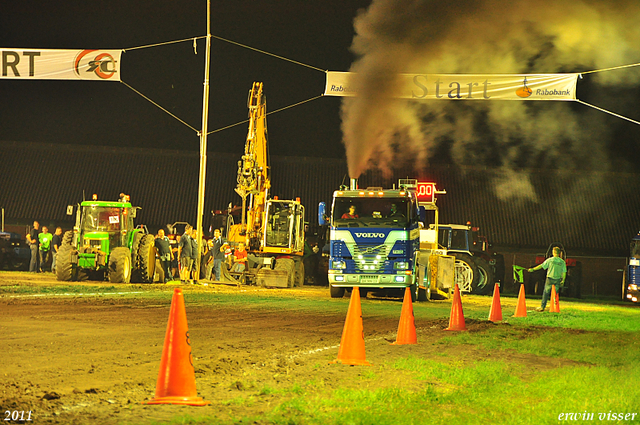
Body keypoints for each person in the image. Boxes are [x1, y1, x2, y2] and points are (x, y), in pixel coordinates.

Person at [528, 246, 567, 312]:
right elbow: (564, 272)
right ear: (559, 253)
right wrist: (563, 280)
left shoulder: (550, 260)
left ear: (553, 252)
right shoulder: (562, 262)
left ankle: (542, 307)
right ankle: (555, 308)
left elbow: (541, 266)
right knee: (556, 294)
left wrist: (533, 269)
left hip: (550, 278)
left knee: (546, 293)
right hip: (557, 279)